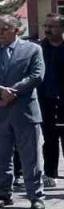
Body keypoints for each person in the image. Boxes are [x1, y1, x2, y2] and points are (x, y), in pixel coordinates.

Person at [0, 15, 47, 209]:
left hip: (24, 111)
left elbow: (37, 75)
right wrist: (0, 92)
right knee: (1, 157)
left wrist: (13, 92)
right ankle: (3, 194)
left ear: (16, 30)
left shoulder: (33, 49)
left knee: (31, 157)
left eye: (4, 29)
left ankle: (36, 196)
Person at [37, 13, 64, 188]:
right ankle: (50, 173)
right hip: (45, 100)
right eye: (45, 26)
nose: (47, 29)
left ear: (62, 28)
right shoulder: (39, 48)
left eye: (52, 26)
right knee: (49, 139)